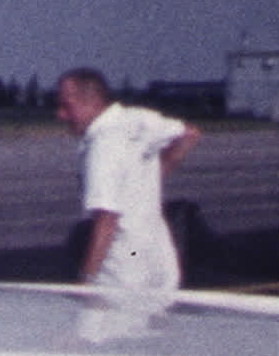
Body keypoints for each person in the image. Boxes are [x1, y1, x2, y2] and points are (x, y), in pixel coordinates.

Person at [54, 67, 203, 290]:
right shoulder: (137, 120)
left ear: (92, 102)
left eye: (67, 106)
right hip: (159, 260)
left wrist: (86, 281)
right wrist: (146, 182)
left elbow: (106, 220)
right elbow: (189, 134)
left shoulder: (102, 147)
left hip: (122, 269)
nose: (60, 115)